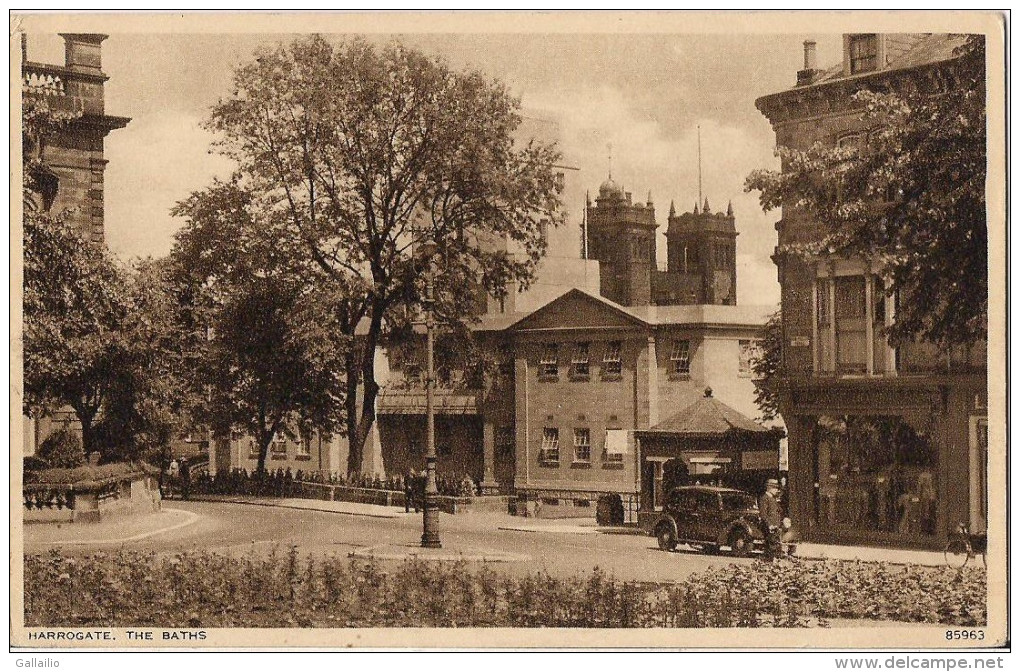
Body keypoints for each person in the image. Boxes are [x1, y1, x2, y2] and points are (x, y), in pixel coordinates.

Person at [758, 478, 783, 561]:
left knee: (777, 546)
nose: (777, 490)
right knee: (771, 546)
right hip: (769, 527)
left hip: (776, 526)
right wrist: (769, 525)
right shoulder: (764, 498)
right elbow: (763, 514)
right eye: (775, 488)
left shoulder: (773, 499)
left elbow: (779, 511)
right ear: (769, 488)